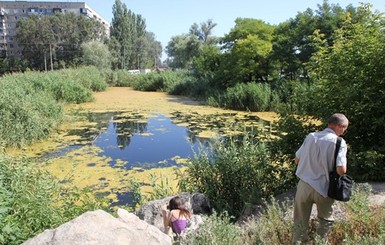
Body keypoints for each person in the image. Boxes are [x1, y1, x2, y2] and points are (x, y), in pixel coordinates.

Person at [292, 113, 349, 244]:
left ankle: (298, 242)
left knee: (299, 220)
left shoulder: (311, 136)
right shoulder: (339, 142)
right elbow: (341, 170)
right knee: (325, 220)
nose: (344, 132)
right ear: (339, 126)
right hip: (324, 187)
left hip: (304, 185)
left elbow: (297, 160)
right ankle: (320, 242)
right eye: (345, 129)